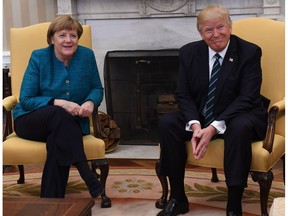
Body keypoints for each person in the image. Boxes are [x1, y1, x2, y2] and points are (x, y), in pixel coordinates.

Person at [156, 5, 268, 216]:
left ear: (230, 26)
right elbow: (183, 94)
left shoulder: (249, 52)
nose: (216, 34)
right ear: (200, 33)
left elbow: (247, 97)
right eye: (209, 30)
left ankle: (234, 205)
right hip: (202, 115)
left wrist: (214, 127)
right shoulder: (189, 53)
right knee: (168, 123)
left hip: (240, 114)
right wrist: (196, 124)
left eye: (220, 27)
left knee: (239, 127)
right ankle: (178, 198)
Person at [12, 15, 105, 198]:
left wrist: (90, 102)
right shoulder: (39, 57)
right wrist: (59, 102)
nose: (68, 40)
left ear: (78, 38)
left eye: (73, 35)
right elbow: (26, 100)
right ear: (52, 38)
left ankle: (51, 202)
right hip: (30, 121)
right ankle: (86, 172)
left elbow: (96, 88)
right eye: (62, 35)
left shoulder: (87, 56)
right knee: (58, 113)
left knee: (59, 137)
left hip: (67, 126)